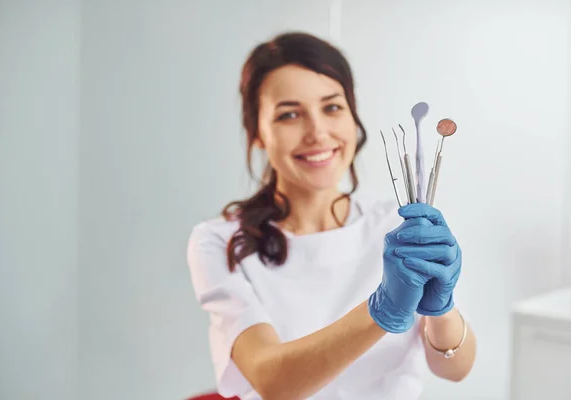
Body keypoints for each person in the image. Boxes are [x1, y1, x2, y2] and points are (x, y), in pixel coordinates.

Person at [187, 31, 476, 400]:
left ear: (353, 117)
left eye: (332, 107)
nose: (318, 132)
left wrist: (442, 309)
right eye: (289, 114)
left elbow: (456, 368)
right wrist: (381, 311)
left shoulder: (400, 225)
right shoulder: (220, 242)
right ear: (256, 132)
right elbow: (272, 380)